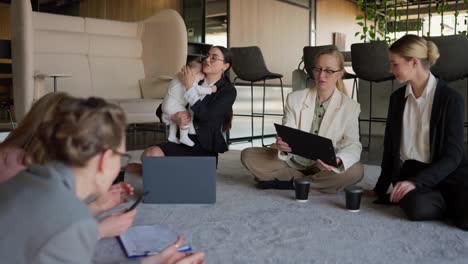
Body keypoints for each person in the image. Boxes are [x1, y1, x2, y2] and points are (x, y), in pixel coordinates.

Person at [0, 96, 205, 264]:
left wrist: (151, 262)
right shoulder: (74, 223)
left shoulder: (23, 180)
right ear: (105, 160)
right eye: (122, 157)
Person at [0, 92, 135, 239]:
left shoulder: (30, 158)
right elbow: (32, 239)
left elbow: (49, 218)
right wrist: (98, 230)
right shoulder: (16, 163)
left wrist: (97, 206)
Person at [368, 34, 468, 230]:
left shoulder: (451, 99)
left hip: (448, 172)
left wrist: (416, 183)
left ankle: (450, 201)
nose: (390, 70)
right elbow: (390, 148)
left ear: (413, 62)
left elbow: (453, 155)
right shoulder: (397, 99)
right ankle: (448, 203)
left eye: (394, 64)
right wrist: (380, 188)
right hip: (412, 171)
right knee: (416, 208)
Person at [241, 47, 363, 193]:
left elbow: (353, 145)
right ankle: (309, 183)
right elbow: (288, 131)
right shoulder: (295, 99)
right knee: (248, 155)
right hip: (292, 162)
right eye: (318, 69)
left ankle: (292, 183)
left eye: (328, 71)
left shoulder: (350, 107)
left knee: (356, 171)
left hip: (323, 166)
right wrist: (282, 144)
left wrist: (339, 160)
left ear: (340, 74)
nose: (321, 75)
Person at [143, 46, 236, 159]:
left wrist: (190, 88)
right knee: (150, 154)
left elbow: (206, 116)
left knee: (156, 163)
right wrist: (172, 117)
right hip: (180, 140)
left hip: (204, 146)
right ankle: (135, 171)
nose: (207, 60)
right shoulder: (193, 78)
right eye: (207, 56)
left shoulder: (227, 91)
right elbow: (161, 109)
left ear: (225, 66)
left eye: (214, 58)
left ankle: (135, 171)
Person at [162, 59, 217, 147]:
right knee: (185, 115)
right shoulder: (188, 80)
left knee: (177, 117)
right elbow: (199, 89)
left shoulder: (178, 77)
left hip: (168, 104)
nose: (203, 76)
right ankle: (184, 136)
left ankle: (171, 136)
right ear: (191, 73)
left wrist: (171, 117)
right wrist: (211, 90)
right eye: (201, 73)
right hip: (173, 105)